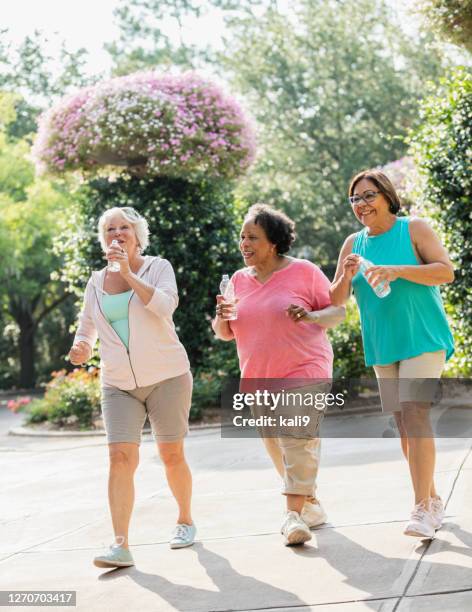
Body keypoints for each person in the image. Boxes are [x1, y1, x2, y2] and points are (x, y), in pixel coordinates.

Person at [330, 169, 455, 539]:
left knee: (415, 413)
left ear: (386, 196)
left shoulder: (414, 229)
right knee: (402, 423)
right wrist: (344, 275)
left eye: (368, 196)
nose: (361, 205)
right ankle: (431, 498)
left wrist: (397, 271)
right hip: (383, 343)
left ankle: (420, 509)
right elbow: (335, 300)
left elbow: (445, 272)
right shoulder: (353, 243)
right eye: (355, 199)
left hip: (423, 336)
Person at [68, 206, 195, 568]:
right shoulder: (95, 281)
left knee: (171, 455)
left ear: (138, 236)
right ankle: (120, 544)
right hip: (118, 383)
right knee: (120, 458)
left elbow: (165, 306)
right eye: (110, 229)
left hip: (167, 376)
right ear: (103, 239)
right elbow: (88, 325)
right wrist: (82, 346)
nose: (117, 233)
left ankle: (185, 519)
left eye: (124, 227)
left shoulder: (158, 267)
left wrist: (127, 272)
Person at [213, 204, 345, 546]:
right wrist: (221, 315)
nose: (244, 243)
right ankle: (309, 503)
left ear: (273, 242)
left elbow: (336, 311)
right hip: (258, 377)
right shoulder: (238, 281)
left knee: (296, 438)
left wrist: (311, 317)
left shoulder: (304, 271)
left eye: (252, 237)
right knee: (278, 447)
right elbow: (225, 332)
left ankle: (291, 516)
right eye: (242, 236)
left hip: (306, 368)